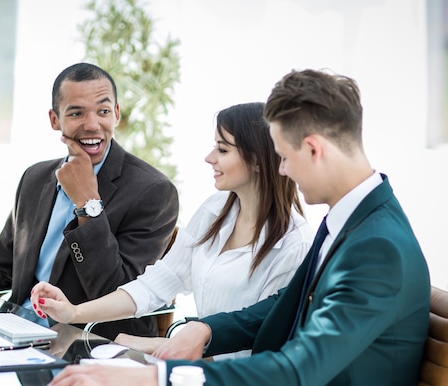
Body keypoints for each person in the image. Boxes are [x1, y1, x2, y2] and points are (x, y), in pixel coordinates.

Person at [42, 69, 431, 386]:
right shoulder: (351, 221)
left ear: (313, 149)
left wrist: (156, 379)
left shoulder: (377, 247)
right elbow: (283, 305)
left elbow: (298, 371)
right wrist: (206, 329)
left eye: (283, 155)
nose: (282, 169)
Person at [31, 102, 313, 360]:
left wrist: (159, 346)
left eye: (223, 149)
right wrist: (74, 312)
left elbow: (262, 346)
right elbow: (153, 286)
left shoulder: (292, 245)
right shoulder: (215, 211)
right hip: (199, 371)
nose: (209, 157)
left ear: (258, 160)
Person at [0, 62, 179, 340]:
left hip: (89, 343)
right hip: (14, 334)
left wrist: (88, 204)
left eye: (103, 111)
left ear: (116, 114)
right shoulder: (34, 178)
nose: (92, 125)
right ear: (54, 119)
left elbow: (115, 292)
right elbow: (0, 270)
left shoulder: (153, 191)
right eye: (76, 113)